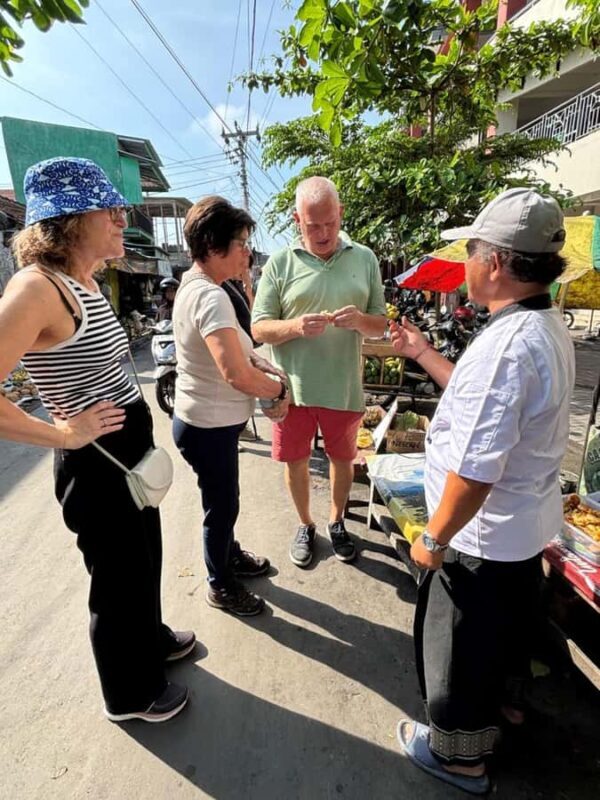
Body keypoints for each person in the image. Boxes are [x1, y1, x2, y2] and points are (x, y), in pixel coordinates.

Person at [391, 188, 575, 794]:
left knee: (459, 655)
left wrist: (433, 537)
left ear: (494, 263)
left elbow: (475, 470)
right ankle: (497, 721)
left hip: (480, 541)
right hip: (516, 532)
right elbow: (484, 412)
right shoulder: (538, 324)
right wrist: (421, 352)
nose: (467, 259)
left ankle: (460, 760)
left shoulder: (508, 345)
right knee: (495, 647)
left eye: (472, 248)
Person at [0, 157, 194, 723]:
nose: (120, 217)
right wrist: (60, 431)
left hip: (126, 452)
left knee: (143, 559)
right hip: (96, 464)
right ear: (68, 218)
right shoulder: (37, 288)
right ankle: (129, 695)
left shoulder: (82, 280)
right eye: (107, 208)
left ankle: (150, 640)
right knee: (116, 580)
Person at [251, 176, 387, 567]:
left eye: (330, 222)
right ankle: (305, 523)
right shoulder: (279, 263)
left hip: (343, 388)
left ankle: (337, 521)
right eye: (313, 226)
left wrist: (360, 319)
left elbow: (380, 324)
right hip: (292, 389)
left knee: (342, 459)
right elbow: (259, 327)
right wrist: (295, 327)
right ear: (298, 220)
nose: (324, 232)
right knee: (294, 460)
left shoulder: (365, 258)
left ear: (340, 213)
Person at [172, 195, 290, 617]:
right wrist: (276, 392)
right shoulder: (210, 297)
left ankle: (229, 554)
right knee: (220, 507)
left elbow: (239, 353)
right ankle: (220, 584)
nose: (248, 250)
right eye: (241, 242)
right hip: (208, 426)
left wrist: (265, 369)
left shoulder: (205, 287)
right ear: (211, 244)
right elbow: (235, 373)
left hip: (207, 423)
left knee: (224, 501)